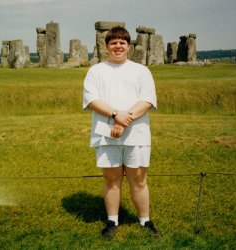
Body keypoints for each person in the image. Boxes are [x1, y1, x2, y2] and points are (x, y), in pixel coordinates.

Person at [83, 26, 160, 239]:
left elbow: (147, 100)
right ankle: (112, 221)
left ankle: (145, 221)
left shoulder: (141, 70)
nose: (118, 46)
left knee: (139, 179)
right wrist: (117, 114)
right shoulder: (95, 71)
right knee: (111, 179)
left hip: (137, 133)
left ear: (128, 46)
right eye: (113, 43)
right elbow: (92, 100)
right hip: (105, 133)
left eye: (122, 43)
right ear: (106, 46)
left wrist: (124, 121)